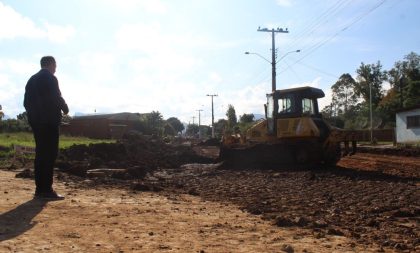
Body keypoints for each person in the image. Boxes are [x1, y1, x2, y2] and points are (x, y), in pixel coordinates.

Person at [24, 56, 69, 200]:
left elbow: (25, 102)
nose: (56, 68)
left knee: (40, 154)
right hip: (49, 122)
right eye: (55, 65)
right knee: (50, 154)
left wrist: (34, 117)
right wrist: (65, 108)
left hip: (37, 123)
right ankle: (47, 190)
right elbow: (56, 97)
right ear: (51, 64)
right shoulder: (50, 78)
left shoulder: (31, 79)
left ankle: (39, 189)